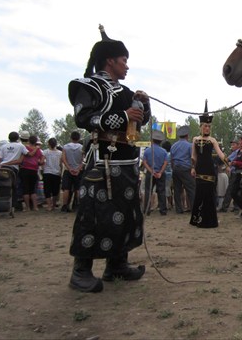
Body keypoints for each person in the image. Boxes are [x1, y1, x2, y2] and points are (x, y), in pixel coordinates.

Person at [66, 24, 151, 292]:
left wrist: (142, 106)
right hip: (102, 164)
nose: (127, 66)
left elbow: (138, 126)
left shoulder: (125, 92)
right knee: (94, 216)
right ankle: (80, 272)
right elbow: (84, 118)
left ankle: (116, 265)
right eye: (124, 60)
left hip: (127, 164)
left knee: (126, 215)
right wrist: (125, 114)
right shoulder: (87, 86)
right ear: (110, 60)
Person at [189, 101, 227, 228]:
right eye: (205, 126)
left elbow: (220, 154)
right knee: (199, 193)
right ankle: (196, 218)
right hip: (199, 168)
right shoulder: (195, 139)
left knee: (210, 194)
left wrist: (228, 163)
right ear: (201, 126)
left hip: (210, 169)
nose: (207, 128)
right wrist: (193, 168)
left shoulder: (213, 140)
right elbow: (193, 155)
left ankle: (209, 220)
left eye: (209, 126)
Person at [142, 130, 168, 216]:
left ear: (152, 140)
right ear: (160, 141)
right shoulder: (164, 151)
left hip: (150, 173)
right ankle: (163, 210)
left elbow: (144, 162)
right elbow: (165, 162)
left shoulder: (147, 151)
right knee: (161, 191)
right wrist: (160, 172)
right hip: (160, 173)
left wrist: (151, 171)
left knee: (148, 191)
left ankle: (147, 209)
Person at [171, 126, 196, 214]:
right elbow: (193, 158)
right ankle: (193, 208)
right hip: (186, 169)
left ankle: (179, 209)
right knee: (191, 189)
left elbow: (172, 159)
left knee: (177, 190)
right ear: (187, 136)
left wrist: (173, 168)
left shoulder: (173, 146)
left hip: (176, 169)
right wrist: (193, 168)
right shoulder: (190, 146)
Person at [19, 135, 44, 212]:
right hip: (34, 170)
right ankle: (35, 207)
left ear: (29, 141)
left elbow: (26, 155)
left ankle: (27, 207)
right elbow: (41, 161)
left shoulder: (25, 148)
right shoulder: (39, 150)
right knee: (33, 189)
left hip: (25, 169)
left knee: (25, 189)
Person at [61, 131, 84, 212]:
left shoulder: (65, 147)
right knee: (78, 188)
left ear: (71, 137)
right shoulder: (82, 147)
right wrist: (78, 169)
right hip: (78, 170)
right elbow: (84, 160)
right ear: (79, 138)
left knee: (66, 189)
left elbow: (63, 159)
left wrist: (69, 168)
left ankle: (64, 205)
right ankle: (78, 204)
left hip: (68, 170)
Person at [218, 138, 239, 212]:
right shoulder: (234, 152)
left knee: (230, 189)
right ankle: (236, 206)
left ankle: (225, 207)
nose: (232, 146)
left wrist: (221, 155)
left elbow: (227, 160)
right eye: (231, 144)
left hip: (235, 173)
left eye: (234, 144)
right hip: (234, 172)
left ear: (238, 145)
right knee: (235, 190)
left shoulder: (237, 153)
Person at [42, 138, 63, 211]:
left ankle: (49, 205)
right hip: (56, 173)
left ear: (48, 144)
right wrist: (61, 171)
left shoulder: (45, 152)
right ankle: (53, 205)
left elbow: (42, 162)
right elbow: (61, 164)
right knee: (55, 190)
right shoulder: (60, 153)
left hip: (47, 172)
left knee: (47, 189)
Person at [161, 140, 174, 210]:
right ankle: (171, 203)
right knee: (171, 189)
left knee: (167, 188)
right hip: (172, 173)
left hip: (166, 174)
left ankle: (169, 203)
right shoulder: (171, 154)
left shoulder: (164, 154)